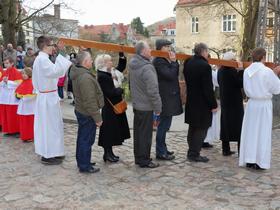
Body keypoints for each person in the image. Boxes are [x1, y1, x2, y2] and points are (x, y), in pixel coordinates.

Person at [32, 36, 72, 165]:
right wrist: (61, 53)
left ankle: (55, 152)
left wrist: (60, 54)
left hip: (49, 97)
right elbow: (56, 72)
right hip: (46, 99)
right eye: (51, 46)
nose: (53, 48)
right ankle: (47, 155)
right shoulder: (42, 59)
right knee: (48, 127)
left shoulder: (44, 59)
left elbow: (56, 72)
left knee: (54, 126)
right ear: (44, 46)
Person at [239, 48, 280, 170]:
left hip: (252, 104)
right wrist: (276, 74)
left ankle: (249, 159)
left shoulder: (247, 71)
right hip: (264, 105)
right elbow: (277, 89)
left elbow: (245, 87)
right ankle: (259, 161)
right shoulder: (267, 72)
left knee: (251, 132)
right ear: (263, 57)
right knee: (262, 133)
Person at [129, 41, 162, 168]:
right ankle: (144, 160)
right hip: (146, 106)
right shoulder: (147, 67)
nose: (151, 51)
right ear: (143, 52)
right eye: (149, 49)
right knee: (145, 135)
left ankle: (139, 157)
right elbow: (153, 90)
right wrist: (158, 108)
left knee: (138, 134)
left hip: (137, 105)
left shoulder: (133, 64)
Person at [70, 51, 104, 173]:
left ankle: (83, 161)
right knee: (86, 139)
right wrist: (98, 118)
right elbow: (89, 101)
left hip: (82, 110)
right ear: (84, 62)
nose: (92, 61)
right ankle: (84, 165)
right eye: (90, 59)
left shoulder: (80, 73)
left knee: (82, 138)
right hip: (87, 113)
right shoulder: (85, 77)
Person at [183, 43, 218, 163]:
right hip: (202, 103)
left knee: (192, 127)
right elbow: (207, 88)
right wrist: (213, 104)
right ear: (203, 51)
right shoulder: (205, 66)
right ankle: (194, 153)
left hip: (191, 99)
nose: (208, 54)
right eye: (207, 51)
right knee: (201, 128)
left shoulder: (188, 62)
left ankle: (191, 151)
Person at [96, 54, 130, 163]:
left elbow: (120, 67)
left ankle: (110, 153)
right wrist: (120, 90)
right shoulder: (103, 76)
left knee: (112, 131)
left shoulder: (110, 72)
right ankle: (107, 154)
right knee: (108, 132)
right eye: (109, 61)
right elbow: (110, 92)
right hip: (109, 107)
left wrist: (122, 57)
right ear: (104, 63)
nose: (111, 62)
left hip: (114, 106)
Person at [153, 39, 183, 160]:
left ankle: (163, 148)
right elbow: (170, 75)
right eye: (166, 46)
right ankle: (160, 152)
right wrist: (174, 63)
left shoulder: (164, 59)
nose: (169, 49)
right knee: (162, 126)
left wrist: (173, 62)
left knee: (165, 126)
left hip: (169, 97)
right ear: (160, 48)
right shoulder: (159, 61)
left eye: (169, 46)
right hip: (165, 98)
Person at [217, 51, 244, 156]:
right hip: (234, 102)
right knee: (239, 126)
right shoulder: (231, 71)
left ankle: (225, 149)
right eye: (234, 60)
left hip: (225, 100)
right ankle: (241, 150)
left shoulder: (220, 71)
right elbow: (240, 83)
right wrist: (241, 71)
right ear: (231, 61)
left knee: (225, 125)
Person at [0, 57, 22, 136]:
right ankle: (9, 130)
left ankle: (16, 131)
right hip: (5, 97)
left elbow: (19, 83)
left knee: (13, 115)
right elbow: (2, 83)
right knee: (7, 115)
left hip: (12, 97)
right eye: (5, 63)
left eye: (7, 63)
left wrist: (8, 82)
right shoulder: (6, 72)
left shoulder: (16, 72)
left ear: (12, 63)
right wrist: (3, 82)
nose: (6, 65)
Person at [15, 67, 36, 142]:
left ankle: (30, 136)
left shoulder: (32, 83)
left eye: (25, 73)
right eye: (22, 73)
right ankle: (24, 136)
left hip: (30, 107)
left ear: (29, 74)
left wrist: (23, 97)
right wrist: (17, 95)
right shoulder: (22, 82)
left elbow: (33, 95)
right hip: (23, 106)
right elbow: (17, 91)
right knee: (23, 122)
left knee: (29, 123)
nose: (23, 75)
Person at [203, 67, 220, 148]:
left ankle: (204, 139)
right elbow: (217, 81)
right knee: (207, 118)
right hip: (208, 95)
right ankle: (204, 140)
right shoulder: (208, 69)